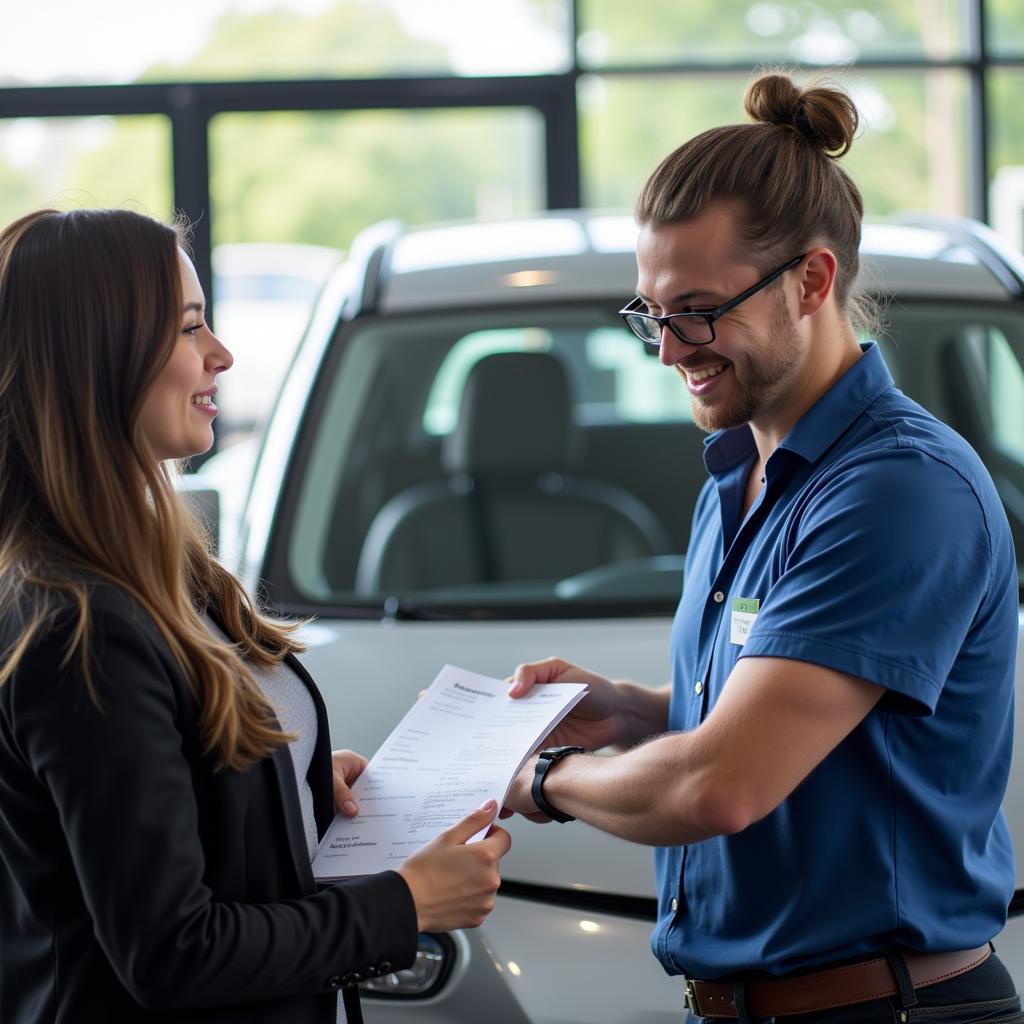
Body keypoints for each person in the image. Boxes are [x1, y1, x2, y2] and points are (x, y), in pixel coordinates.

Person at [500, 72, 1021, 1023]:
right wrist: (636, 711)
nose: (669, 349)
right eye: (651, 313)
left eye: (697, 310)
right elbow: (789, 695)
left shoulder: (896, 492)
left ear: (812, 283)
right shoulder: (741, 469)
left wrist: (542, 782)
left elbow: (725, 781)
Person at [0, 207, 511, 1024]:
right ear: (98, 358)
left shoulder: (166, 570)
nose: (221, 355)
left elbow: (172, 811)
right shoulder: (75, 626)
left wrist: (287, 786)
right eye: (190, 327)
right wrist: (404, 904)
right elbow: (172, 952)